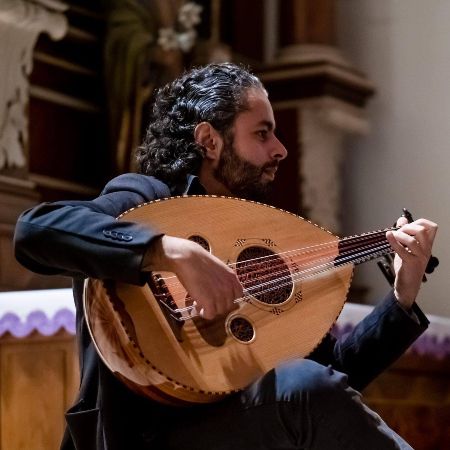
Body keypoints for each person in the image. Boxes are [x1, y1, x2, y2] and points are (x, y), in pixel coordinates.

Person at [14, 63, 437, 450]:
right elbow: (37, 229)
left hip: (235, 429)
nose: (280, 149)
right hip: (143, 438)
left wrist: (400, 300)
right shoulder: (147, 200)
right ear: (209, 140)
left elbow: (332, 379)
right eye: (261, 133)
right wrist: (169, 251)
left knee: (308, 384)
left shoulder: (265, 240)